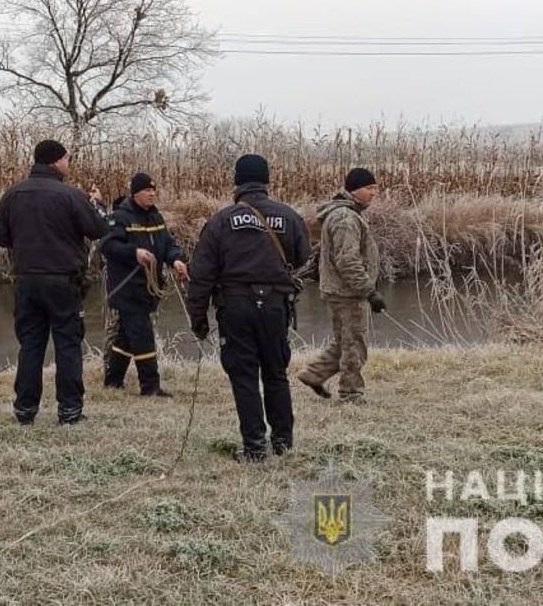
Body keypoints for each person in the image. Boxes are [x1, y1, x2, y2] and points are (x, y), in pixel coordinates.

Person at [184, 154, 310, 462]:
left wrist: (197, 317)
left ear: (236, 182)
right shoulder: (289, 216)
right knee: (275, 373)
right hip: (276, 307)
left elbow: (201, 275)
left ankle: (254, 447)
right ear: (267, 181)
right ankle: (283, 442)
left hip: (236, 306)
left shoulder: (220, 221)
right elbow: (304, 257)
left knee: (244, 375)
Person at [0, 139, 107, 425]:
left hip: (25, 281)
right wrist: (98, 205)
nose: (69, 164)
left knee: (30, 344)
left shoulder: (13, 194)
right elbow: (97, 229)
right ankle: (69, 411)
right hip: (64, 281)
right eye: (67, 159)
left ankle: (25, 409)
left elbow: (0, 236)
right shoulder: (71, 195)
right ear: (56, 161)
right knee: (67, 344)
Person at [295, 168, 386, 404]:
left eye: (375, 188)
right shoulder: (345, 218)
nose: (374, 193)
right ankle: (351, 395)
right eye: (369, 188)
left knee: (346, 339)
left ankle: (314, 374)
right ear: (354, 190)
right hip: (347, 292)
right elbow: (347, 260)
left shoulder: (347, 214)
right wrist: (369, 291)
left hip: (340, 290)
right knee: (355, 343)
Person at [99, 173, 189, 396]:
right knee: (142, 336)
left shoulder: (156, 217)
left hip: (148, 289)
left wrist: (176, 259)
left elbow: (168, 244)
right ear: (135, 193)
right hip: (127, 288)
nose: (152, 194)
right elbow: (108, 246)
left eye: (153, 190)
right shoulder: (120, 217)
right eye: (147, 190)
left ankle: (113, 381)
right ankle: (151, 387)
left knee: (127, 336)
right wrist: (134, 252)